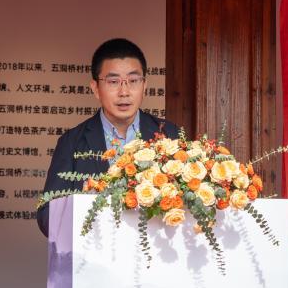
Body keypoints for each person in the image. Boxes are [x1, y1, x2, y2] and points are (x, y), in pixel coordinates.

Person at [37, 38, 180, 236]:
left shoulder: (169, 134)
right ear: (95, 88)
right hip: (94, 250)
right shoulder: (72, 142)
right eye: (113, 82)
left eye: (133, 81)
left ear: (144, 85)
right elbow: (47, 215)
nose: (124, 92)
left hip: (154, 251)